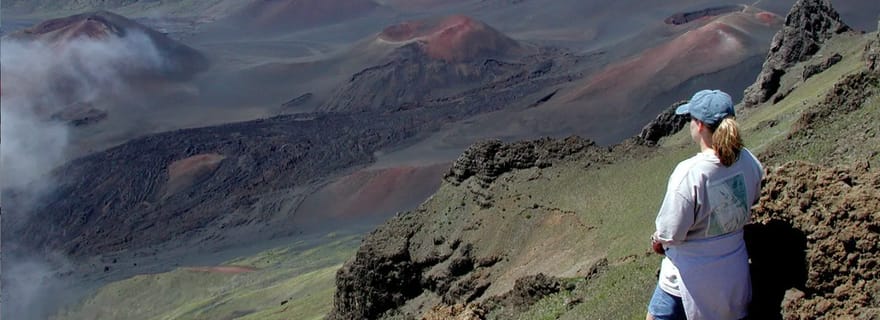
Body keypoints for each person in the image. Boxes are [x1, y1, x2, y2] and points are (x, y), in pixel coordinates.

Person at [646, 89, 764, 320]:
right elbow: (754, 197)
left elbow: (670, 233)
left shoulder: (690, 173)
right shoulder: (749, 161)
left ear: (699, 125)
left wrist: (657, 240)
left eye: (691, 119)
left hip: (687, 281)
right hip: (734, 276)